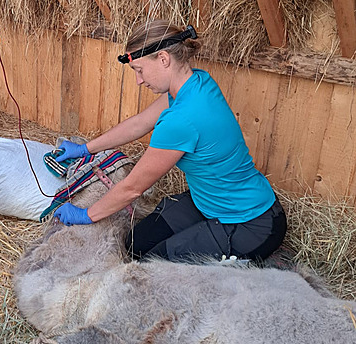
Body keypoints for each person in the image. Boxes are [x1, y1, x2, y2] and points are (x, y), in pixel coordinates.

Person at [54, 20, 287, 263]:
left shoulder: (182, 120)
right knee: (136, 245)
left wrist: (87, 215)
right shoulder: (195, 83)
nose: (139, 81)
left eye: (140, 70)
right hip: (207, 204)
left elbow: (133, 188)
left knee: (152, 267)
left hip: (252, 223)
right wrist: (84, 149)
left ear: (164, 59)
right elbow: (140, 123)